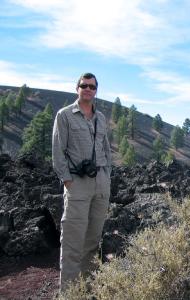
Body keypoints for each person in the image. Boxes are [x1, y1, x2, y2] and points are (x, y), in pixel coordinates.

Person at [52, 72, 111, 291]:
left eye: (92, 87)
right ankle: (68, 293)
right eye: (84, 85)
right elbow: (58, 152)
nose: (88, 89)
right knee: (72, 241)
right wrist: (67, 181)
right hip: (77, 184)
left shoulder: (101, 118)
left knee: (92, 240)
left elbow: (106, 149)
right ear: (77, 88)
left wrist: (107, 177)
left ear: (96, 90)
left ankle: (87, 289)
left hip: (101, 184)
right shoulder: (65, 115)